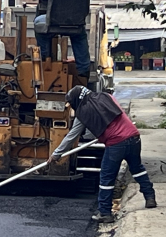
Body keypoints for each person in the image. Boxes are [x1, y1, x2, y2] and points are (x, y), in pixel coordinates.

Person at [48, 85, 157, 222]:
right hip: (134, 137)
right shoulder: (107, 97)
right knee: (137, 168)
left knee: (107, 177)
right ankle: (150, 197)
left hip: (116, 144)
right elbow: (117, 114)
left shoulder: (83, 113)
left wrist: (57, 153)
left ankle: (105, 212)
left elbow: (72, 136)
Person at [34, 0, 91, 78]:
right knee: (80, 38)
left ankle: (44, 56)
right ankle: (83, 68)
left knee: (38, 22)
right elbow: (85, 11)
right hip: (75, 25)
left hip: (54, 22)